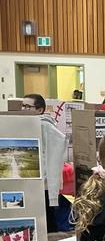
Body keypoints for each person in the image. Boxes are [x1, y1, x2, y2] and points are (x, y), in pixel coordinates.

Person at [21, 93, 68, 233]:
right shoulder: (23, 123)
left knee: (46, 217)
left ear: (40, 110)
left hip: (42, 182)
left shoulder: (44, 125)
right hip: (27, 179)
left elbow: (56, 150)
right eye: (22, 106)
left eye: (28, 106)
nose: (24, 109)